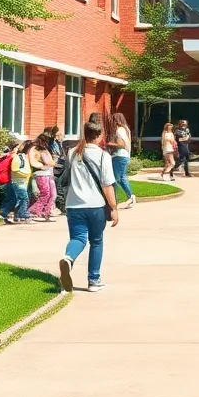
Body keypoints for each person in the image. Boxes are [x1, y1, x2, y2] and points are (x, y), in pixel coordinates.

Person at [57, 121, 119, 294]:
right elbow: (108, 185)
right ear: (99, 136)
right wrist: (114, 208)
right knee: (96, 241)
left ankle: (68, 259)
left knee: (78, 238)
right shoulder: (102, 156)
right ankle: (94, 280)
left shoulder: (72, 153)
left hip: (73, 204)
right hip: (96, 205)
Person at [0, 140, 33, 224]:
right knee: (23, 199)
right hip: (17, 182)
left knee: (17, 200)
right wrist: (26, 174)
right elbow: (15, 169)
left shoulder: (23, 157)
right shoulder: (18, 157)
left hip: (22, 182)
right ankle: (22, 214)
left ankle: (16, 215)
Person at [107, 112, 136, 209]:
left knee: (116, 178)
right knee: (121, 177)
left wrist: (109, 144)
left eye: (114, 120)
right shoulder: (126, 129)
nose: (113, 122)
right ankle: (130, 197)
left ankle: (117, 199)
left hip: (119, 156)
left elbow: (121, 144)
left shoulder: (119, 130)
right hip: (124, 155)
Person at [30, 135, 58, 221]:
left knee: (52, 194)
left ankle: (46, 212)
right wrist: (51, 162)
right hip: (41, 173)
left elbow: (49, 162)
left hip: (47, 173)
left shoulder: (44, 150)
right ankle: (33, 211)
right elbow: (46, 162)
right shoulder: (37, 150)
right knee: (45, 193)